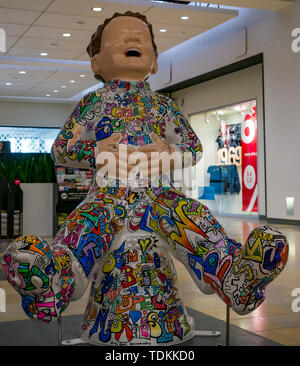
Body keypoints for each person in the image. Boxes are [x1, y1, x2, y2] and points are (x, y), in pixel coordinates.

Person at [2, 11, 289, 346]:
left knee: (193, 218)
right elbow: (61, 148)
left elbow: (193, 147)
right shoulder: (92, 103)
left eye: (142, 38)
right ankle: (54, 279)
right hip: (107, 196)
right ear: (96, 62)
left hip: (158, 196)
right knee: (84, 226)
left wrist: (170, 154)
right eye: (120, 37)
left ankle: (233, 276)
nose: (133, 41)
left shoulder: (162, 106)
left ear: (154, 62)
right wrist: (93, 151)